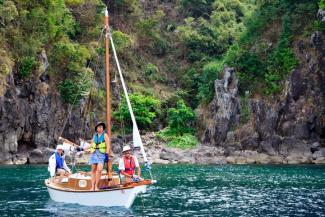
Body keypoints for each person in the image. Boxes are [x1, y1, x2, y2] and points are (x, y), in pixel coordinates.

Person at [84, 122, 110, 191]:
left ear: (103, 128)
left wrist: (107, 154)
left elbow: (108, 145)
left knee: (99, 170)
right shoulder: (94, 135)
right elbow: (91, 145)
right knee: (93, 170)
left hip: (101, 154)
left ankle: (96, 186)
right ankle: (92, 186)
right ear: (96, 128)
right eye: (98, 127)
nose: (100, 128)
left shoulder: (105, 135)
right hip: (94, 153)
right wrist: (83, 148)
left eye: (101, 127)